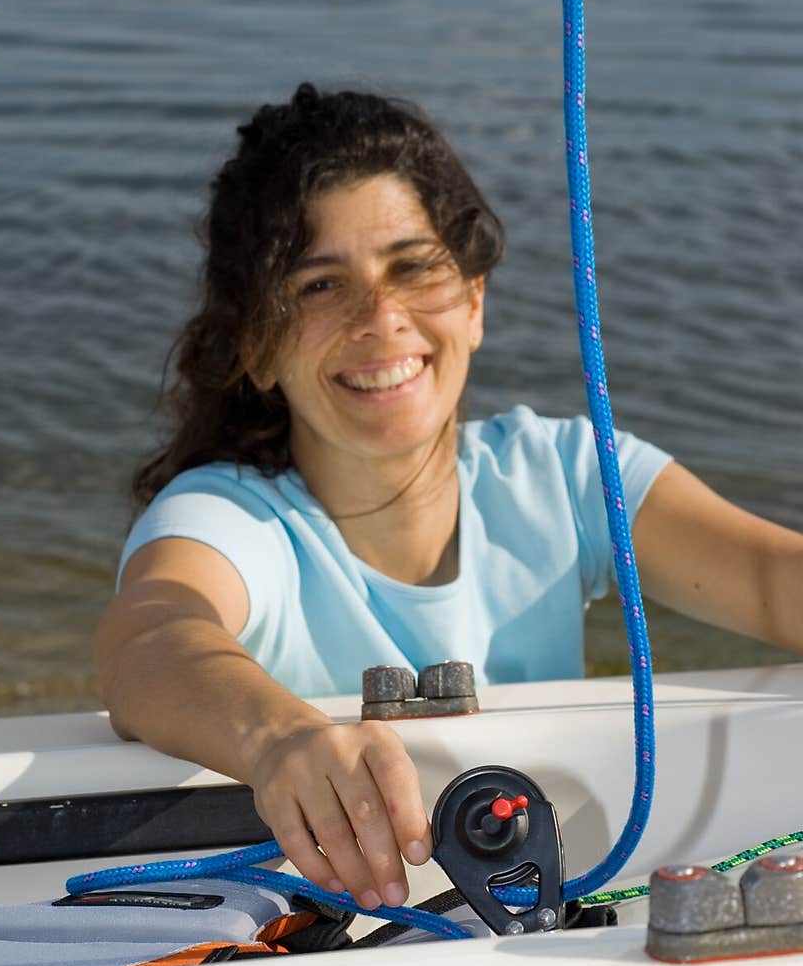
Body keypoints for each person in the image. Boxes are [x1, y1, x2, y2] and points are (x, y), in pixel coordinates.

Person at [95, 81, 803, 914]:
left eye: (413, 268)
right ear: (254, 341)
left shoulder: (568, 474)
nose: (381, 316)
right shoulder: (232, 515)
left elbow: (773, 580)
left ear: (473, 300)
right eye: (321, 284)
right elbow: (149, 637)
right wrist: (282, 738)